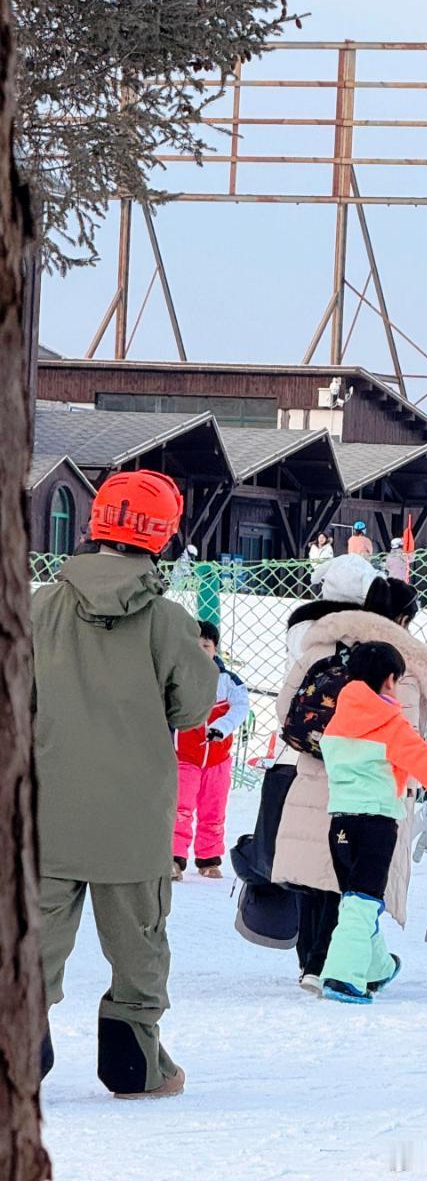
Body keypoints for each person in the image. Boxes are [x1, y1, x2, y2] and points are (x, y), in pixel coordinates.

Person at [33, 470, 218, 1097]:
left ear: (95, 525)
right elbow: (193, 708)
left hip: (44, 808)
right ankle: (135, 1059)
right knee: (138, 941)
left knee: (33, 937)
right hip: (135, 814)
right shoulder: (167, 620)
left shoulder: (35, 606)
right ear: (162, 536)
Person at [272, 556, 427, 992]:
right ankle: (332, 965)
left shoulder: (317, 647)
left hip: (315, 770)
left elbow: (284, 710)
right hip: (369, 784)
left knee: (315, 871)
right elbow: (406, 732)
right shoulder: (394, 660)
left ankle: (317, 961)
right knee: (352, 880)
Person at [315, 642, 427, 1003]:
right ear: (389, 680)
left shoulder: (336, 721)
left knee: (356, 897)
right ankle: (341, 976)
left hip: (340, 823)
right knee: (363, 901)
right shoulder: (389, 725)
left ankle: (377, 967)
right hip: (376, 823)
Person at [173, 620, 249, 881]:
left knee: (214, 809)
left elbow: (240, 708)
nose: (200, 650)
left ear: (215, 649)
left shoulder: (229, 681)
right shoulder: (177, 677)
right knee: (180, 807)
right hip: (185, 756)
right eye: (194, 646)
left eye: (205, 645)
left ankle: (208, 858)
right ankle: (174, 857)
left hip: (217, 758)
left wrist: (222, 727)